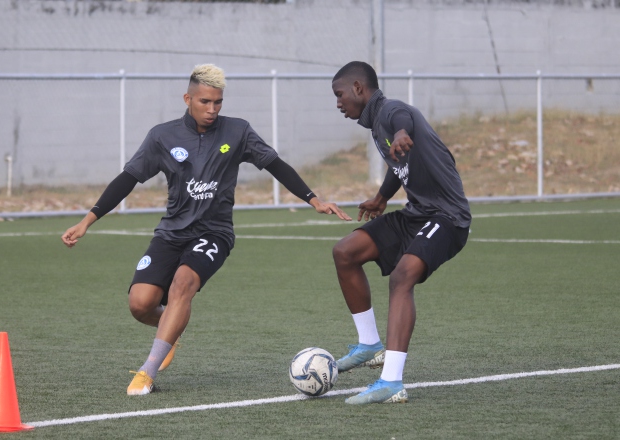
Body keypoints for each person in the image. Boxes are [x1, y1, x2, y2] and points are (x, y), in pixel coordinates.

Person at [62, 64, 352, 396]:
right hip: (171, 232)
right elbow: (127, 179)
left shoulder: (238, 131)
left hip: (214, 233)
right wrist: (87, 220)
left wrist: (313, 199)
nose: (212, 110)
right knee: (140, 304)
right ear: (188, 99)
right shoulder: (162, 136)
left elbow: (275, 164)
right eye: (204, 102)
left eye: (218, 102)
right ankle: (169, 332)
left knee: (182, 284)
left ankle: (147, 371)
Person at [330, 61, 471, 404]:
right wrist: (381, 198)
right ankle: (369, 345)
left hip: (448, 217)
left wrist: (404, 133)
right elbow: (400, 163)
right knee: (345, 252)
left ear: (359, 89)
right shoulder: (378, 125)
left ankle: (391, 381)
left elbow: (402, 118)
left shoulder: (390, 112)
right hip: (416, 215)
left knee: (402, 276)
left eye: (340, 94)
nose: (338, 103)